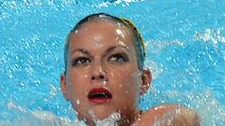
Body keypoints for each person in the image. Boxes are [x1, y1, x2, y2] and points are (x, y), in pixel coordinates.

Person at [59, 13, 200, 126]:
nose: (98, 72)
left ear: (143, 80)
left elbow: (181, 116)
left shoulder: (164, 120)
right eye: (82, 60)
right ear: (64, 85)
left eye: (116, 58)